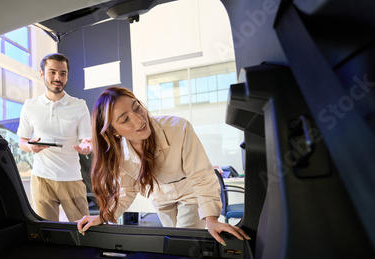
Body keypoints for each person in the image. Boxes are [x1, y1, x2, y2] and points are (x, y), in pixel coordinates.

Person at [76, 87, 249, 246]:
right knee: (171, 237)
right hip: (159, 195)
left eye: (137, 107)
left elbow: (201, 176)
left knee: (183, 240)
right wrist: (104, 216)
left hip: (189, 191)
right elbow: (127, 190)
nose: (139, 119)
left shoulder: (179, 128)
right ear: (114, 131)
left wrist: (211, 219)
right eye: (125, 119)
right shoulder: (120, 153)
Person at [17, 53, 92, 222]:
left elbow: (87, 140)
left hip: (71, 177)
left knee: (84, 228)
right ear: (42, 73)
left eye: (63, 73)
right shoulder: (30, 106)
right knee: (47, 232)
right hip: (42, 178)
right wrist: (30, 147)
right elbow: (22, 141)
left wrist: (87, 147)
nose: (58, 77)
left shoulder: (79, 106)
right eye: (52, 72)